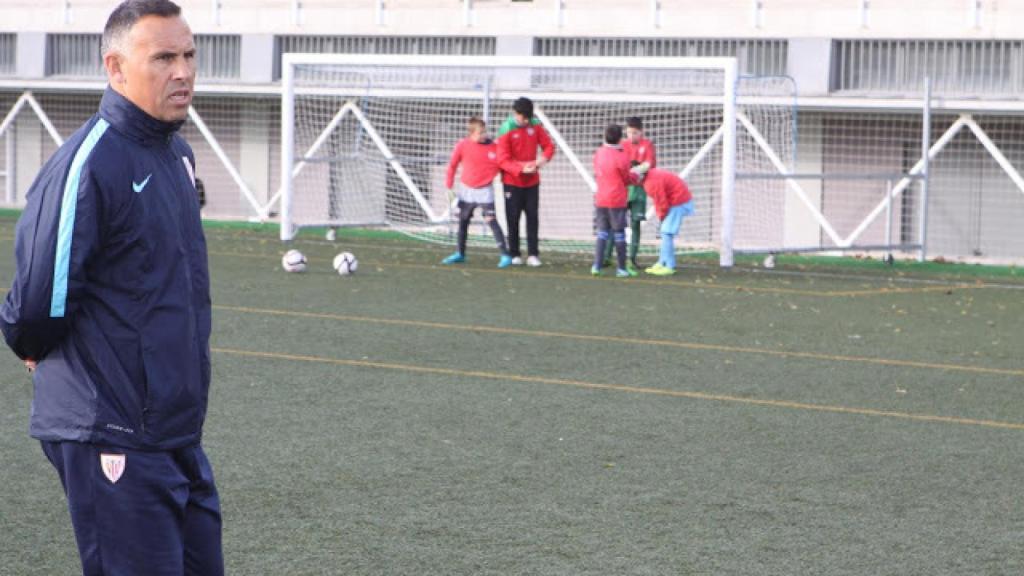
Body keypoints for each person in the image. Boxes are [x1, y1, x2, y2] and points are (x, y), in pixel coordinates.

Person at [0, 1, 223, 574]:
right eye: (165, 57)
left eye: (190, 55)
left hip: (175, 431)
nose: (184, 71)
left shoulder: (177, 153)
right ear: (116, 68)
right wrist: (31, 345)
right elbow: (35, 303)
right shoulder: (90, 163)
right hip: (111, 429)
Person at [441, 117, 512, 268]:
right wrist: (448, 186)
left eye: (485, 131)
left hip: (485, 191)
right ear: (471, 133)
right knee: (463, 222)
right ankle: (460, 254)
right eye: (480, 133)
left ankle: (505, 255)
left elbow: (504, 166)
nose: (484, 135)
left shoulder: (494, 148)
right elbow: (452, 165)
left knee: (491, 221)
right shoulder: (462, 145)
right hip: (466, 191)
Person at [496, 96, 555, 267]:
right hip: (512, 182)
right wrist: (521, 169)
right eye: (520, 116)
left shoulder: (535, 125)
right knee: (512, 218)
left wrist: (542, 160)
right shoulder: (506, 128)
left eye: (525, 117)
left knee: (532, 218)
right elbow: (502, 160)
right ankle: (514, 253)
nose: (522, 119)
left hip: (532, 182)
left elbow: (549, 146)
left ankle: (533, 254)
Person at [603, 116, 656, 272]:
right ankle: (606, 256)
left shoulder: (647, 145)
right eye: (629, 132)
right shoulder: (622, 145)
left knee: (636, 223)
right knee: (615, 222)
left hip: (639, 189)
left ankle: (632, 258)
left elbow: (648, 164)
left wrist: (634, 170)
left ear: (641, 132)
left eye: (635, 133)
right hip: (623, 189)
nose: (632, 136)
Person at [591, 123, 642, 277]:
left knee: (602, 233)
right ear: (620, 139)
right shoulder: (622, 156)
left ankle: (596, 266)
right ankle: (621, 268)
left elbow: (597, 171)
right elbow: (626, 178)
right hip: (617, 199)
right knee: (619, 233)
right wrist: (636, 176)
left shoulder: (598, 153)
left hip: (601, 198)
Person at [639, 168, 695, 275]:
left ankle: (669, 266)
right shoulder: (651, 176)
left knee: (666, 233)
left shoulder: (650, 183)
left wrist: (662, 217)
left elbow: (661, 203)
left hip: (679, 201)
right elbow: (659, 201)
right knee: (665, 233)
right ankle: (662, 262)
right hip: (679, 199)